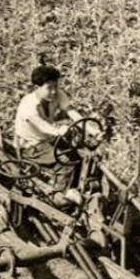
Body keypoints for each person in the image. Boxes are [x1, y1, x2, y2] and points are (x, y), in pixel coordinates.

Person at [14, 65, 83, 200]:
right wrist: (58, 131)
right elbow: (43, 126)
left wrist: (93, 129)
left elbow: (72, 112)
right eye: (49, 88)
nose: (53, 91)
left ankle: (73, 189)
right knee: (64, 162)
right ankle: (60, 199)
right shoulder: (28, 106)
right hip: (30, 146)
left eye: (56, 86)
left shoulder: (57, 95)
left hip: (47, 140)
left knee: (80, 155)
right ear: (36, 88)